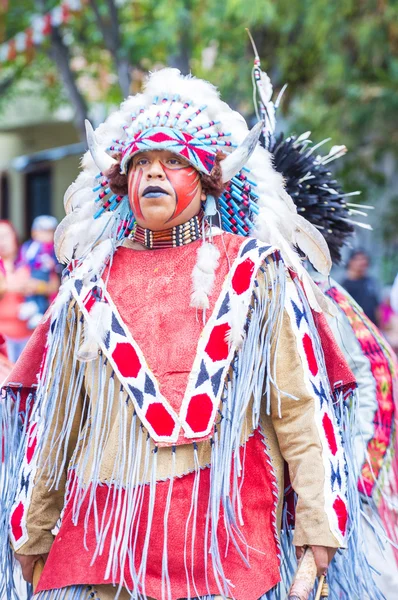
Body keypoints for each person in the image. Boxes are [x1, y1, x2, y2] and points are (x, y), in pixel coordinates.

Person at [1, 69, 351, 600]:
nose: (153, 174)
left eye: (173, 161)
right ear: (123, 182)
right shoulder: (88, 287)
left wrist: (318, 522)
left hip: (225, 542)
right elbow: (57, 420)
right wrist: (35, 524)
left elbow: (298, 406)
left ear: (208, 179)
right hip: (116, 543)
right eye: (140, 163)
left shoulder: (255, 273)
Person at [18, 215, 60, 330]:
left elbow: (57, 272)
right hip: (32, 275)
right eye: (42, 231)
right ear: (34, 232)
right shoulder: (29, 247)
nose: (46, 235)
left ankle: (39, 312)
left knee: (42, 299)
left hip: (46, 276)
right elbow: (23, 262)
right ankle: (30, 304)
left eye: (49, 232)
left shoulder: (55, 249)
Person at [341, 249, 380, 325]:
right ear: (350, 262)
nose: (362, 262)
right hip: (356, 327)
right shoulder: (344, 286)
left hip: (372, 326)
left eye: (364, 259)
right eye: (359, 259)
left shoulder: (370, 282)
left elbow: (377, 307)